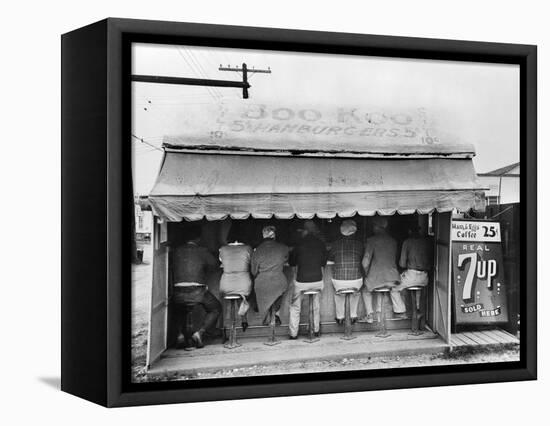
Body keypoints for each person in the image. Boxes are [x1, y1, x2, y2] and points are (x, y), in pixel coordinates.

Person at [171, 227, 221, 349]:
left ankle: (180, 335)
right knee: (215, 308)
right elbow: (214, 265)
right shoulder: (202, 250)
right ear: (198, 238)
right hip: (197, 291)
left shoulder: (176, 250)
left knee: (178, 310)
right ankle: (200, 333)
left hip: (178, 291)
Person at [361, 217, 407, 321]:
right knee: (382, 289)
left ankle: (370, 315)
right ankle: (380, 313)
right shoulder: (393, 241)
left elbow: (365, 262)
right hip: (393, 278)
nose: (373, 228)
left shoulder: (371, 241)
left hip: (378, 278)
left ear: (377, 227)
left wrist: (366, 273)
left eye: (374, 226)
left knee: (365, 290)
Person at [288, 220, 328, 339]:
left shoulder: (299, 244)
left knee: (295, 306)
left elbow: (292, 262)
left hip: (301, 282)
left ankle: (293, 334)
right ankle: (315, 330)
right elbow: (324, 263)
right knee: (316, 304)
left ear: (304, 231)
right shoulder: (320, 243)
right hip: (318, 281)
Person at [250, 226, 290, 326]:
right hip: (279, 283)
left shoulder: (257, 251)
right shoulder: (283, 248)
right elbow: (286, 259)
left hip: (262, 285)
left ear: (263, 236)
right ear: (274, 236)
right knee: (281, 291)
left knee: (261, 294)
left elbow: (253, 272)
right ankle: (275, 313)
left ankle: (268, 316)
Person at [328, 219, 364, 324]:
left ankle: (340, 317)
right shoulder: (359, 244)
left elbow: (330, 258)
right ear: (355, 230)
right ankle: (353, 315)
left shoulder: (335, 244)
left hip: (339, 281)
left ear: (341, 230)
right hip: (356, 280)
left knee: (339, 294)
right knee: (356, 293)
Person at [219, 235, 253, 333]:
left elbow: (221, 262)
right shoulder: (248, 248)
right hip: (244, 284)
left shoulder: (223, 249)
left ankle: (225, 326)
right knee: (245, 292)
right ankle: (244, 319)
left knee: (233, 293)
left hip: (225, 285)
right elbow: (251, 262)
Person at [395, 224, 433, 310]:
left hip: (411, 276)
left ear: (409, 231)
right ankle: (418, 309)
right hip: (424, 278)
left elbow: (402, 264)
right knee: (419, 289)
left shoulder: (407, 242)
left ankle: (401, 310)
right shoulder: (426, 242)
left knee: (394, 288)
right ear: (419, 231)